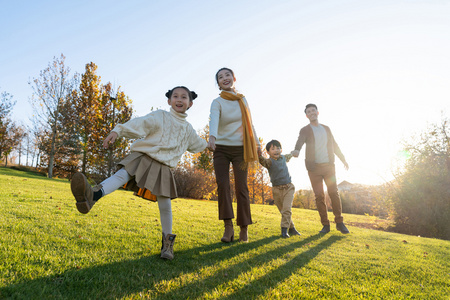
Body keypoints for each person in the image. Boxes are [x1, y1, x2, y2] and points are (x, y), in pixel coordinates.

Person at [70, 86, 207, 259]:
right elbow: (140, 123)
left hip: (164, 166)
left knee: (165, 205)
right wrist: (117, 131)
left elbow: (199, 144)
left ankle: (167, 245)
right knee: (122, 175)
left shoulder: (188, 130)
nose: (179, 99)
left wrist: (211, 144)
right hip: (144, 156)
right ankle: (92, 195)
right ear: (169, 101)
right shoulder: (160, 116)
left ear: (190, 103)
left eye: (184, 97)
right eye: (175, 96)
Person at [207, 67, 261, 243]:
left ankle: (243, 228)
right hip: (221, 149)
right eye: (220, 77)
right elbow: (213, 119)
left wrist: (258, 144)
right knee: (223, 185)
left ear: (234, 78)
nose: (224, 78)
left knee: (242, 188)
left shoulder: (242, 100)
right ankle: (228, 227)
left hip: (240, 149)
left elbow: (250, 122)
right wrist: (212, 137)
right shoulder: (217, 102)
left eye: (227, 75)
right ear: (218, 83)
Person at [292, 103, 350, 234]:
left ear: (317, 112)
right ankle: (325, 225)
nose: (312, 113)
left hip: (329, 166)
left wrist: (343, 159)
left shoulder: (326, 128)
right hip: (314, 168)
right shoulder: (305, 130)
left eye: (313, 110)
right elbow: (300, 141)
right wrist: (296, 150)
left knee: (334, 193)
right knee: (319, 196)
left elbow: (334, 145)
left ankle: (339, 222)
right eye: (309, 111)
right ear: (307, 115)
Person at [259, 140, 301, 238]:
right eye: (273, 149)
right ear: (268, 152)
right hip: (276, 190)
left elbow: (290, 155)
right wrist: (258, 155)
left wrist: (293, 152)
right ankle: (292, 228)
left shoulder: (283, 158)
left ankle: (284, 230)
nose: (276, 150)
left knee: (287, 209)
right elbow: (263, 161)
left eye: (278, 148)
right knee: (283, 210)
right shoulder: (269, 162)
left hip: (288, 187)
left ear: (281, 150)